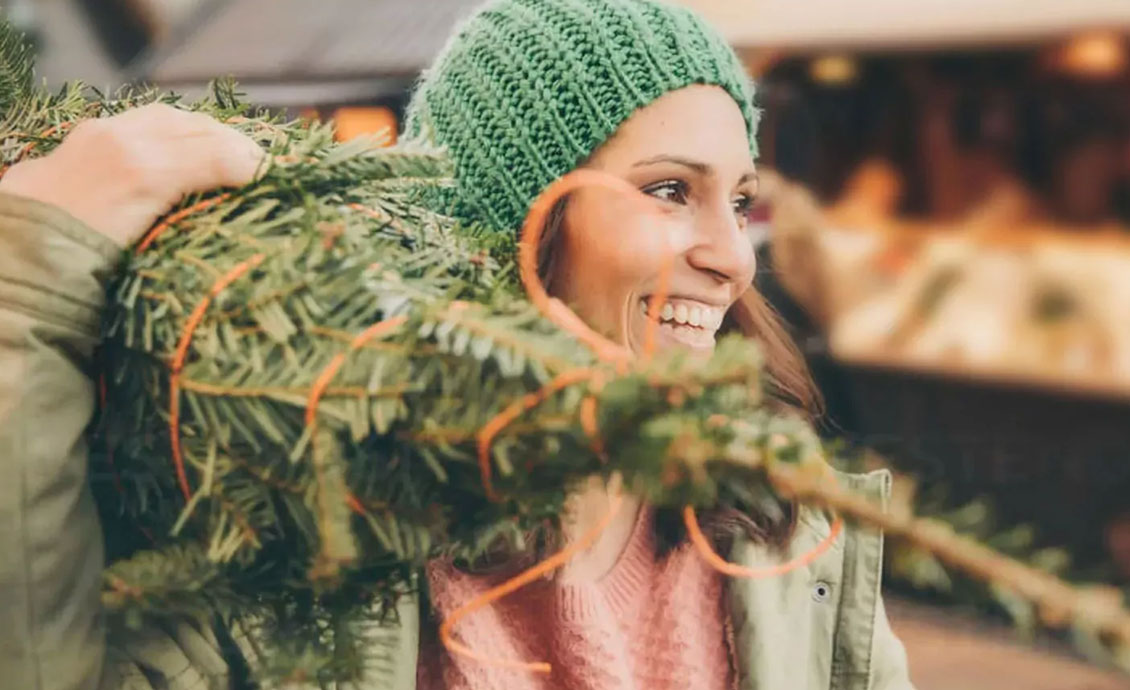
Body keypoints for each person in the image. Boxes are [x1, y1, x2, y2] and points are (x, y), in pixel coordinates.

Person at [0, 0, 914, 688]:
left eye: (741, 199)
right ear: (509, 226)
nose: (732, 261)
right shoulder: (314, 560)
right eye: (671, 190)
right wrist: (29, 287)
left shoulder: (793, 546)